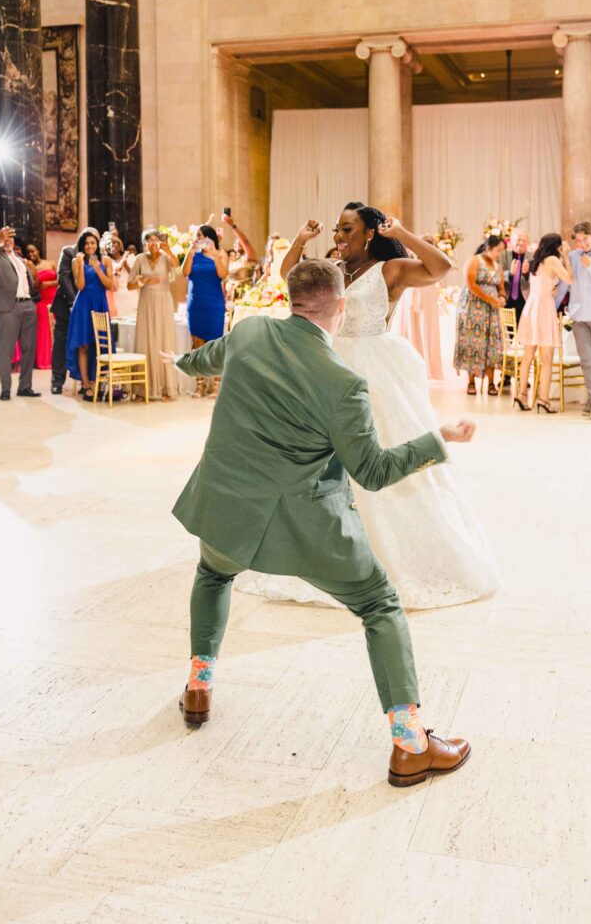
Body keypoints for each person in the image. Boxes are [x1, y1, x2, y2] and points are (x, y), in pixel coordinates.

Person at [164, 259, 474, 788]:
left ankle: (198, 686)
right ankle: (410, 743)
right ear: (341, 305)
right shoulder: (343, 382)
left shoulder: (250, 331)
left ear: (289, 297)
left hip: (227, 504)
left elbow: (205, 359)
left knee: (214, 574)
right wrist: (438, 438)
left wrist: (181, 360)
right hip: (307, 524)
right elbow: (372, 471)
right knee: (379, 604)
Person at [243, 207, 498, 611]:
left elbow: (440, 267)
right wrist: (300, 240)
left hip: (375, 372)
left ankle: (386, 556)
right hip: (328, 369)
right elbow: (289, 276)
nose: (340, 235)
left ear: (369, 234)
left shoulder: (389, 270)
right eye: (337, 229)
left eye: (348, 229)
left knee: (380, 457)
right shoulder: (332, 269)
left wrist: (401, 232)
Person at [555, 222, 591, 419]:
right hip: (579, 317)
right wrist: (552, 304)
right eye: (578, 241)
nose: (582, 244)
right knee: (587, 361)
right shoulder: (571, 257)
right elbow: (566, 283)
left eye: (585, 239)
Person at [514, 234, 573, 413]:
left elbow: (543, 282)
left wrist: (552, 288)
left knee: (528, 356)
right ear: (556, 246)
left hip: (532, 306)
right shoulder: (554, 259)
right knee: (547, 359)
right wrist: (566, 258)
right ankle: (543, 399)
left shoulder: (536, 261)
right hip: (544, 309)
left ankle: (521, 395)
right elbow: (570, 280)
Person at [0, 226, 41, 401]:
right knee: (5, 349)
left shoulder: (20, 260)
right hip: (8, 308)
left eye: (10, 238)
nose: (8, 240)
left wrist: (32, 302)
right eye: (4, 238)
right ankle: (5, 389)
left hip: (28, 306)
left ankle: (25, 386)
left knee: (29, 349)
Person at [127, 228, 179, 400]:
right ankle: (144, 388)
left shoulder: (165, 257)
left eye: (156, 240)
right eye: (149, 240)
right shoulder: (139, 259)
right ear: (144, 244)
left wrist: (169, 250)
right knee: (147, 340)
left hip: (164, 301)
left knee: (164, 340)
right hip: (146, 302)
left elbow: (177, 265)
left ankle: (166, 387)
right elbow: (130, 285)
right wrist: (144, 281)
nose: (153, 243)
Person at [454, 234, 506, 394]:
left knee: (491, 345)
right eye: (498, 250)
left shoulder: (498, 266)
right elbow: (471, 284)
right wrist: (490, 299)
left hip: (491, 311)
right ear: (489, 247)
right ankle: (471, 382)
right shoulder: (475, 260)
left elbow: (501, 287)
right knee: (473, 343)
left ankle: (491, 382)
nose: (499, 254)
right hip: (472, 308)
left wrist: (502, 297)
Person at [66, 227, 113, 402]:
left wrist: (97, 268)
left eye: (92, 243)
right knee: (84, 345)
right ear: (82, 246)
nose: (89, 246)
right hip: (84, 305)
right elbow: (80, 286)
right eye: (86, 244)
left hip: (100, 304)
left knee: (101, 344)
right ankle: (86, 385)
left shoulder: (106, 260)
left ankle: (99, 382)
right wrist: (79, 265)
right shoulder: (76, 261)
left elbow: (109, 284)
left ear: (97, 244)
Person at [183, 224, 228, 398]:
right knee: (197, 345)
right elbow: (184, 272)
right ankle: (200, 384)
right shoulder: (193, 255)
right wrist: (190, 252)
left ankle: (217, 385)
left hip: (214, 303)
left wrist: (215, 253)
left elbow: (222, 274)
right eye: (197, 236)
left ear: (210, 238)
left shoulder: (221, 253)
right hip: (196, 303)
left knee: (215, 344)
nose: (199, 239)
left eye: (202, 236)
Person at [391, 234, 444, 380]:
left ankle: (426, 366)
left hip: (426, 295)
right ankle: (410, 364)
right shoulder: (410, 261)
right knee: (411, 328)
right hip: (410, 295)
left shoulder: (435, 265)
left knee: (426, 329)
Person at [50, 241, 78, 394]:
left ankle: (84, 380)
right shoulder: (68, 251)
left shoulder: (95, 255)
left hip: (86, 306)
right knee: (61, 343)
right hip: (66, 305)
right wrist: (74, 303)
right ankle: (57, 380)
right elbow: (63, 277)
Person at [25, 243, 57, 370]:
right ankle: (43, 361)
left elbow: (62, 279)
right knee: (44, 331)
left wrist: (50, 283)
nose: (31, 254)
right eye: (28, 253)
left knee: (56, 329)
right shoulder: (31, 267)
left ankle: (57, 359)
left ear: (38, 250)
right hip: (42, 302)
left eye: (33, 251)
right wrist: (31, 268)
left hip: (54, 299)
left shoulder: (51, 263)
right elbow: (34, 286)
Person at [221, 212, 259, 304]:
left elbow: (245, 241)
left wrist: (232, 225)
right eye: (236, 242)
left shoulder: (249, 258)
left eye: (240, 242)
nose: (238, 242)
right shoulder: (232, 261)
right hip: (229, 296)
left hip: (244, 295)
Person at [502, 228, 531, 322]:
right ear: (511, 242)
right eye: (518, 240)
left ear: (527, 244)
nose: (521, 243)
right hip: (507, 299)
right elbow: (497, 274)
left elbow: (536, 277)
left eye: (524, 240)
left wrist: (526, 274)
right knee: (508, 332)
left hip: (525, 300)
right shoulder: (504, 255)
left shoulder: (532, 257)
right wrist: (510, 273)